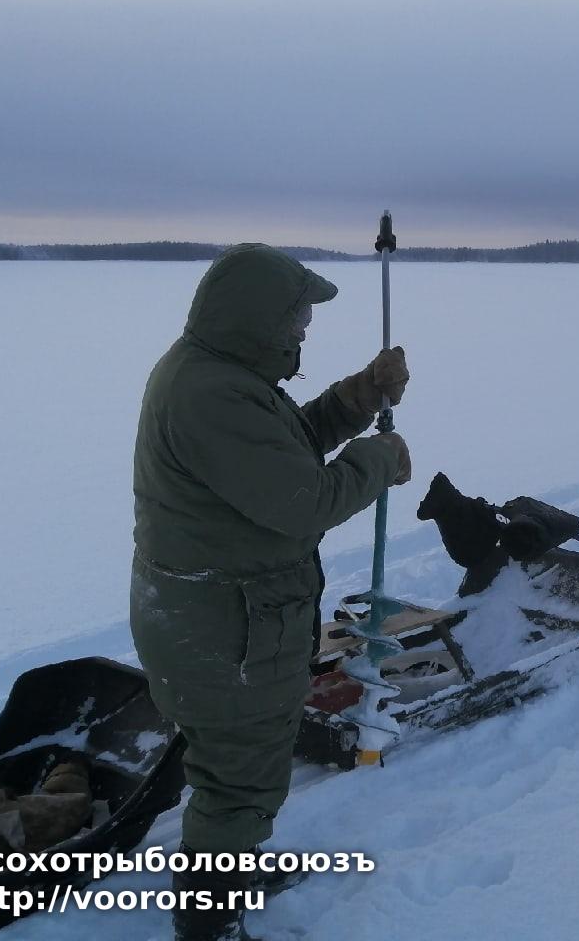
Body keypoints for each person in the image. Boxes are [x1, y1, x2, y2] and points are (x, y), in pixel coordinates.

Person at [129, 243, 411, 941]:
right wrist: (378, 459)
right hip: (227, 631)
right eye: (297, 317)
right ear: (258, 317)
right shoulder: (212, 395)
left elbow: (282, 448)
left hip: (224, 618)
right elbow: (301, 499)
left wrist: (357, 397)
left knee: (239, 764)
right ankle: (211, 920)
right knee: (239, 782)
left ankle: (231, 865)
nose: (304, 330)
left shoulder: (219, 373)